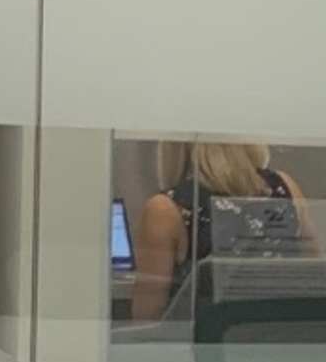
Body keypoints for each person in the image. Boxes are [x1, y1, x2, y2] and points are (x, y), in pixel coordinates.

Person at [127, 138, 307, 323]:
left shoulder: (167, 209)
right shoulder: (285, 188)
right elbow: (315, 279)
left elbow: (147, 318)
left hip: (207, 338)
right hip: (285, 336)